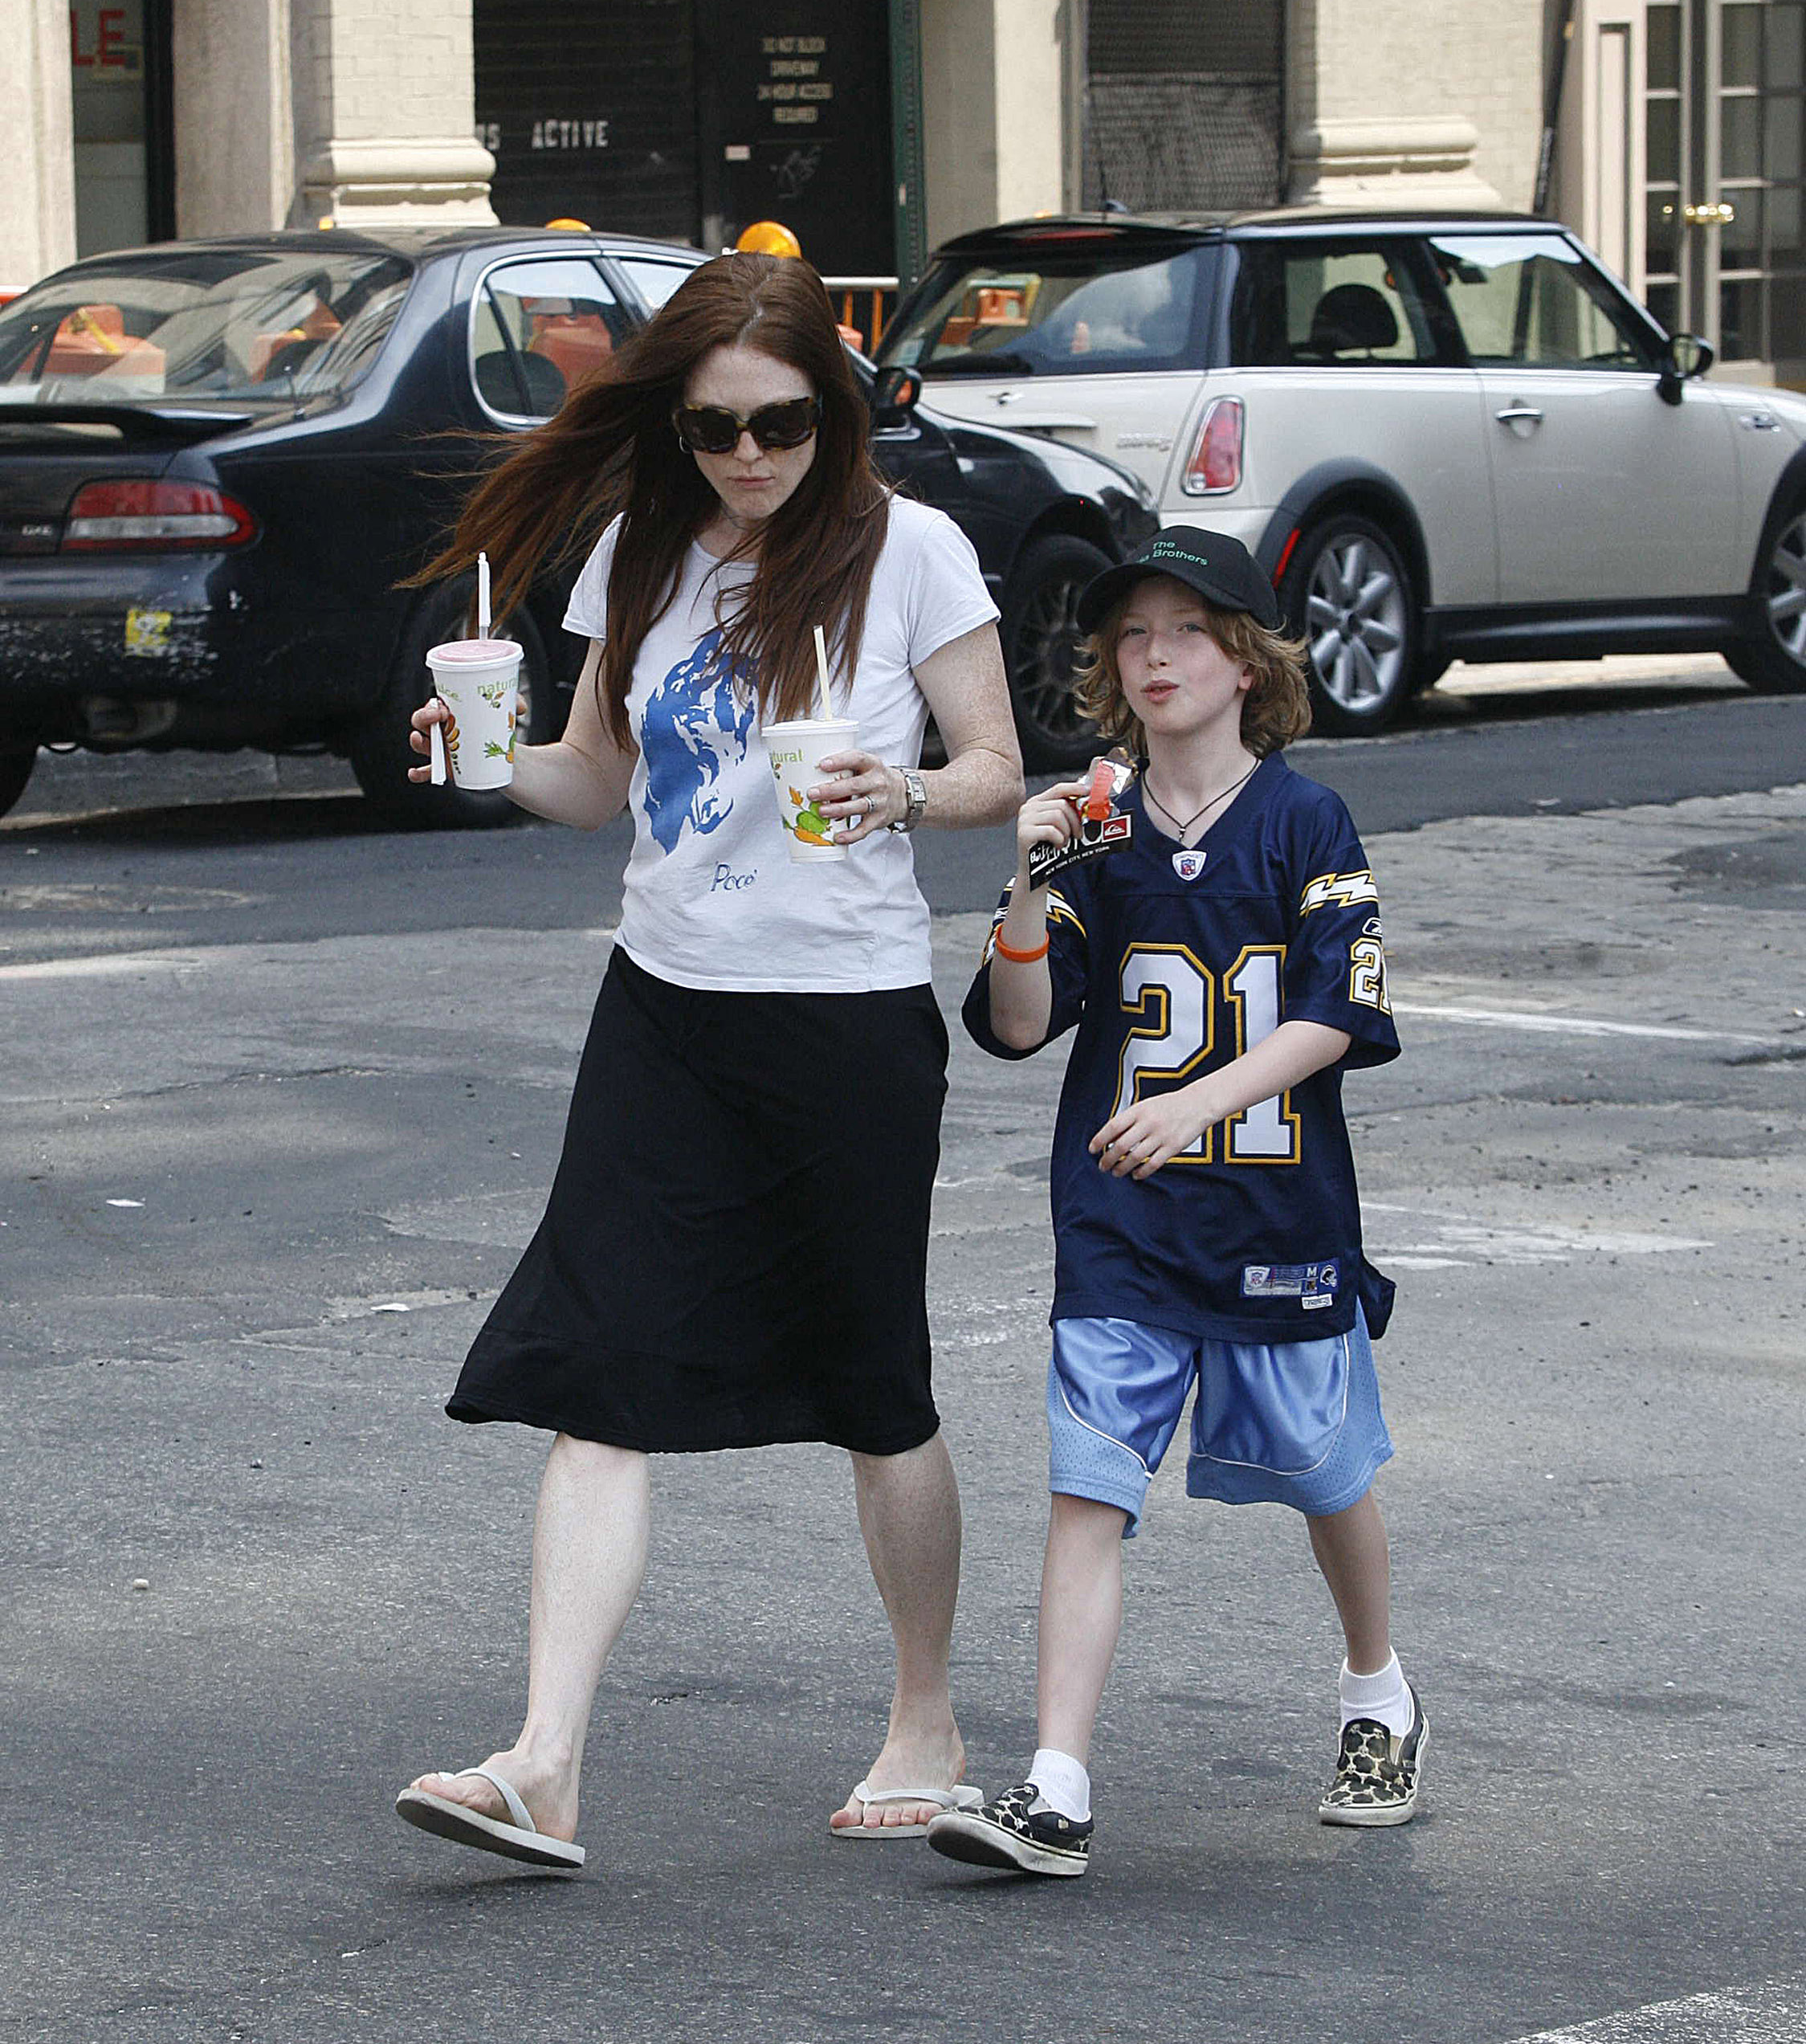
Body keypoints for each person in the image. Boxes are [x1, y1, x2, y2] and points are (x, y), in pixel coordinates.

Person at [392, 251, 1024, 1869]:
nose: (747, 457)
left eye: (780, 425)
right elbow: (596, 785)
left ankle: (928, 1719)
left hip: (844, 1016)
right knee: (594, 1368)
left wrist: (908, 793)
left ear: (837, 410)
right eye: (712, 429)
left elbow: (999, 771)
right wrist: (486, 766)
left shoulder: (915, 554)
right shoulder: (643, 554)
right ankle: (545, 1761)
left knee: (876, 1386)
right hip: (666, 1005)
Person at [927, 527, 1421, 1881]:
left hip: (1273, 1220)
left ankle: (1376, 1688)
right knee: (1088, 1486)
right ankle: (1056, 1783)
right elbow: (1021, 1027)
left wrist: (1199, 1102)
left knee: (1327, 1475)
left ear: (1248, 658)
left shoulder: (1304, 818)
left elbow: (1343, 1011)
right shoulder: (1096, 829)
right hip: (1119, 1228)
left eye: (1187, 631)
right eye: (1132, 636)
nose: (1155, 657)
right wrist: (1025, 880)